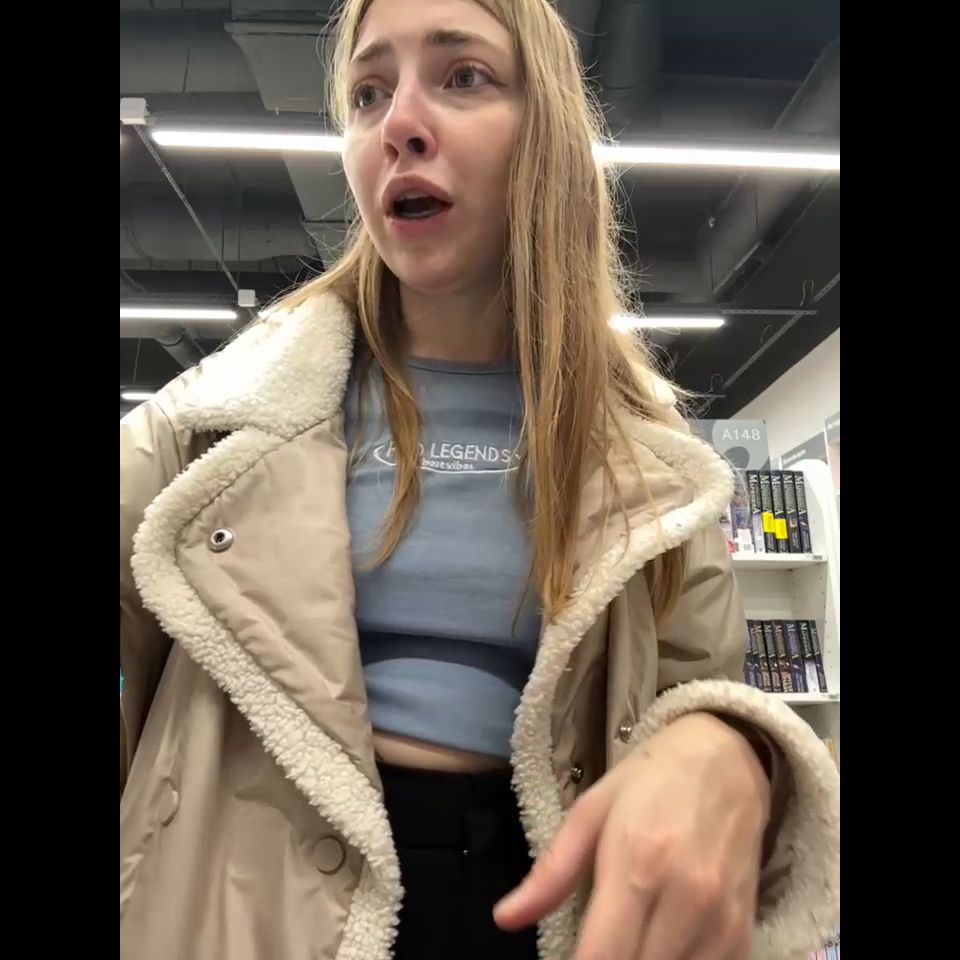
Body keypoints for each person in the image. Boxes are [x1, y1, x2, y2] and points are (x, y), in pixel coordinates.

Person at [119, 0, 840, 958]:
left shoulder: (650, 465)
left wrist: (730, 750)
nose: (399, 125)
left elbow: (695, 685)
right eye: (369, 93)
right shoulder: (215, 421)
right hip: (246, 912)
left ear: (546, 131)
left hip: (547, 908)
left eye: (463, 77)